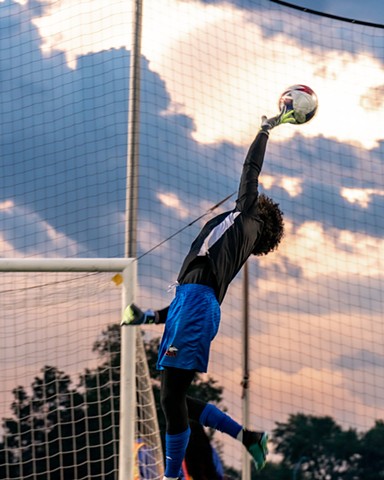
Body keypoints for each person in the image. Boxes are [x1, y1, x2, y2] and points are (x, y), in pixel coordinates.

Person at [122, 108, 297, 480]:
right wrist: (148, 317)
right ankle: (247, 436)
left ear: (261, 215)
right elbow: (189, 295)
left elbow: (251, 170)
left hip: (197, 306)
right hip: (191, 301)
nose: (254, 195)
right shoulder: (237, 234)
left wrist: (265, 129)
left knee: (170, 398)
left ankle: (171, 477)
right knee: (175, 400)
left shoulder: (249, 215)